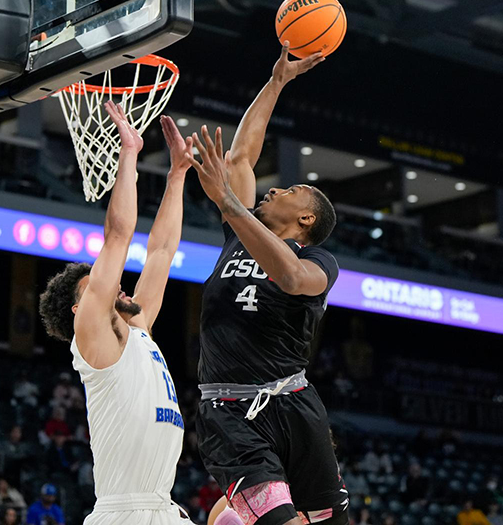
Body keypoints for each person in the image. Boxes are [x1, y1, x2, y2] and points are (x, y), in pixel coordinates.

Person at [188, 44, 343, 525]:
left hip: (295, 404)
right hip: (229, 414)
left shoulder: (317, 259)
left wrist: (231, 205)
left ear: (306, 217)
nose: (273, 188)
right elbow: (239, 158)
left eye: (289, 191)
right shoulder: (240, 234)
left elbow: (293, 279)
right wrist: (277, 81)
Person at [37, 108, 193, 525]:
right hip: (124, 513)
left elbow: (160, 251)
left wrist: (177, 175)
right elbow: (119, 235)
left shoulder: (138, 328)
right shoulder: (94, 339)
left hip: (164, 507)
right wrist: (129, 155)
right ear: (79, 309)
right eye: (97, 285)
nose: (115, 284)